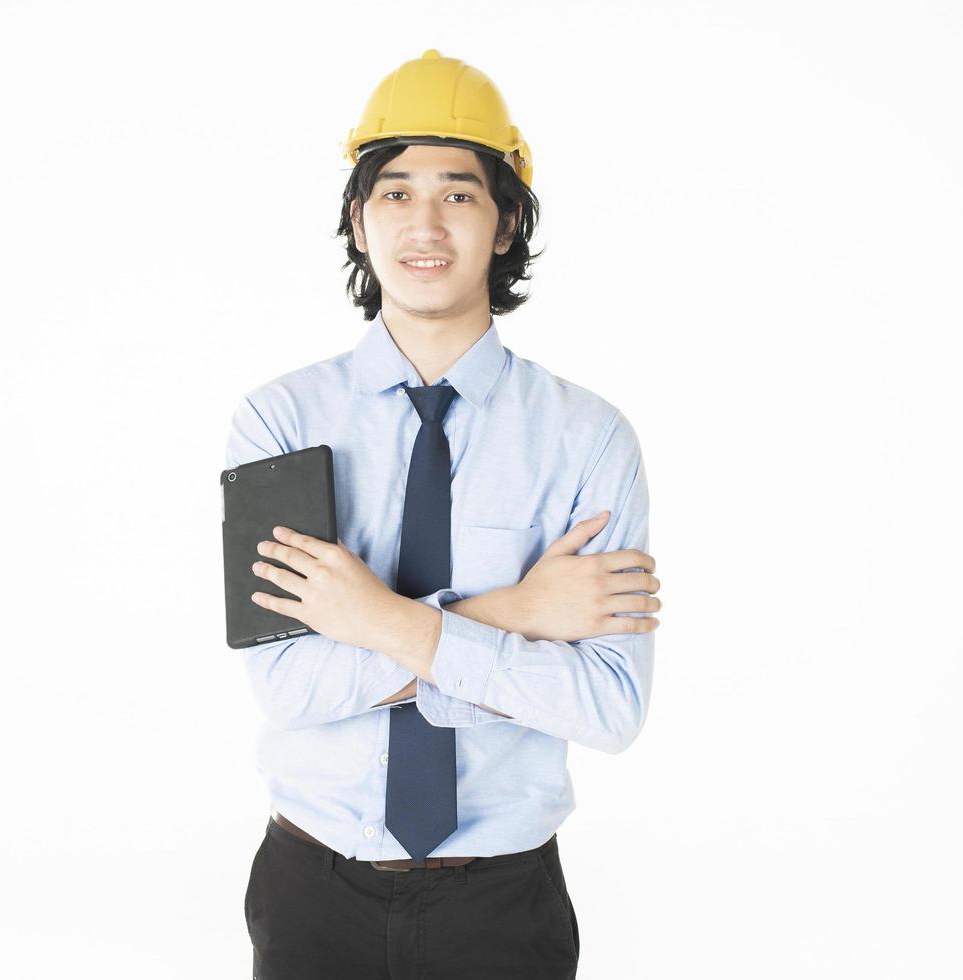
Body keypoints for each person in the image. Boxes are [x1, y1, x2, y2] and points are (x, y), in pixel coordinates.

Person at [224, 49, 661, 980]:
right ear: (357, 218)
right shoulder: (279, 424)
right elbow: (289, 691)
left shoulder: (588, 440)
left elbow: (609, 706)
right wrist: (516, 613)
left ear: (505, 222)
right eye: (394, 192)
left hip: (503, 903)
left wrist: (373, 622)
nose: (424, 223)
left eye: (459, 194)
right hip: (312, 893)